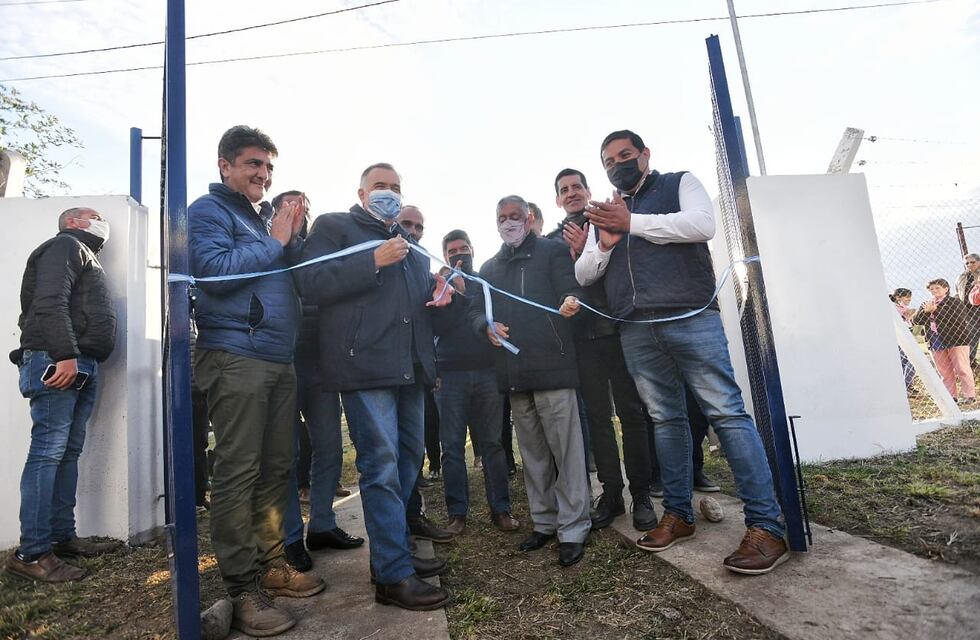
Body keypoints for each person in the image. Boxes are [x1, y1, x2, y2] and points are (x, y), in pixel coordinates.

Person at [576, 129, 789, 575]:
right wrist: (608, 242)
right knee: (666, 422)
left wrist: (631, 223)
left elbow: (701, 225)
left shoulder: (679, 183)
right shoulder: (608, 211)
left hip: (690, 317)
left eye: (626, 154)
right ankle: (678, 514)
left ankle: (767, 527)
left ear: (645, 155)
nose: (619, 163)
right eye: (610, 160)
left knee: (726, 414)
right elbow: (585, 272)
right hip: (636, 328)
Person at [298, 163, 456, 611]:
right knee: (381, 465)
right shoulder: (335, 227)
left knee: (409, 459)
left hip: (409, 370)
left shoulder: (413, 250)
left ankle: (393, 552)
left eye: (396, 188)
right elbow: (308, 281)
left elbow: (421, 312)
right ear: (362, 192)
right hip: (365, 369)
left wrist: (442, 301)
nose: (389, 193)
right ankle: (391, 575)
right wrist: (371, 260)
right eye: (380, 187)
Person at [189, 126, 324, 637]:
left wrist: (294, 233)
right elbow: (214, 271)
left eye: (268, 168)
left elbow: (289, 272)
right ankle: (241, 586)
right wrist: (275, 240)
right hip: (236, 356)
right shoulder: (209, 212)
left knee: (277, 466)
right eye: (252, 165)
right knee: (238, 470)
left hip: (277, 358)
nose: (263, 176)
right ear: (224, 165)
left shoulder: (261, 218)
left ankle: (271, 564)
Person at [469, 195, 591, 567]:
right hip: (514, 375)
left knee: (566, 453)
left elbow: (573, 288)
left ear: (530, 218)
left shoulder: (552, 252)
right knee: (533, 455)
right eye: (502, 217)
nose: (509, 223)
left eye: (515, 216)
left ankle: (574, 527)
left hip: (553, 369)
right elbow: (476, 309)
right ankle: (544, 522)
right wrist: (483, 326)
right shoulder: (488, 268)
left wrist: (571, 299)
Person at [6, 207, 120, 583]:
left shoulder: (82, 253)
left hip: (81, 362)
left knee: (67, 451)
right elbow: (50, 301)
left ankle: (60, 537)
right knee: (48, 452)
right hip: (60, 360)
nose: (102, 220)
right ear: (72, 221)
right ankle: (33, 553)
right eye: (94, 214)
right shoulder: (65, 246)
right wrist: (65, 355)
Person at [547, 168, 656, 532]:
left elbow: (627, 269)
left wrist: (587, 250)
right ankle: (612, 493)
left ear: (588, 190)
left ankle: (641, 495)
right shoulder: (550, 241)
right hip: (581, 340)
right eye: (564, 189)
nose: (572, 193)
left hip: (619, 331)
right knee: (598, 419)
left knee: (632, 414)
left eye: (577, 186)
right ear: (558, 199)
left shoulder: (609, 220)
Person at [273, 191, 364, 574]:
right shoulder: (270, 249)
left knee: (329, 447)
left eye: (304, 206)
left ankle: (323, 524)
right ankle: (291, 537)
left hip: (322, 364)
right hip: (282, 362)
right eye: (291, 205)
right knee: (287, 455)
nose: (300, 210)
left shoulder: (320, 248)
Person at [434, 229, 520, 535]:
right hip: (450, 373)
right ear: (445, 255)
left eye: (464, 248)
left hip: (486, 372)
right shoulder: (437, 285)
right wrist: (451, 293)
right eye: (453, 250)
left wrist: (466, 292)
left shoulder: (486, 281)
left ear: (473, 249)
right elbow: (435, 325)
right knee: (452, 447)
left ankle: (501, 509)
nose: (459, 254)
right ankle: (457, 513)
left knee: (493, 445)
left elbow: (487, 316)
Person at [396, 206, 442, 485]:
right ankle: (395, 525)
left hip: (415, 368)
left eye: (418, 227)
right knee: (387, 452)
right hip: (385, 366)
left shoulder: (422, 260)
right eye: (407, 224)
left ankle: (413, 513)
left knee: (414, 448)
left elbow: (427, 316)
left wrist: (445, 297)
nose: (413, 232)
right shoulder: (378, 252)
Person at [913, 278, 976, 404]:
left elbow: (956, 318)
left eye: (937, 288)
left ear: (946, 289)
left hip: (956, 340)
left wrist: (934, 311)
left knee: (962, 369)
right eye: (931, 289)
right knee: (944, 372)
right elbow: (917, 321)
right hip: (935, 340)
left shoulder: (954, 302)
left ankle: (969, 396)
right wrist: (926, 312)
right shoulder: (926, 304)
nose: (934, 291)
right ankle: (951, 397)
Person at [955, 254, 980, 366]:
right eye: (967, 263)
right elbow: (958, 293)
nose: (969, 264)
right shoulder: (961, 277)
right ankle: (970, 364)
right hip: (969, 312)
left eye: (973, 262)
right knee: (971, 337)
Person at [890, 288, 916, 392]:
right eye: (907, 297)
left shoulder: (902, 307)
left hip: (907, 332)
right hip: (900, 335)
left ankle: (906, 386)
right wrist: (906, 315)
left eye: (910, 297)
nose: (909, 299)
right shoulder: (893, 307)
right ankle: (906, 385)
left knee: (904, 361)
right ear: (897, 297)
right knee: (912, 360)